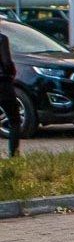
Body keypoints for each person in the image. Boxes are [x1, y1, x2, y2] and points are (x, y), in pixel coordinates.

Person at [0, 23, 19, 157]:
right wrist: (11, 74)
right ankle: (13, 154)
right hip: (3, 83)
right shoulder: (2, 39)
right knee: (14, 120)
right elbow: (6, 61)